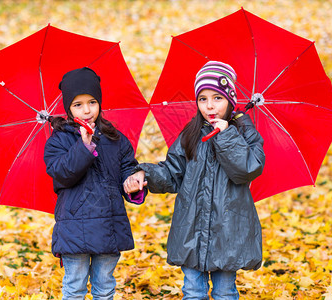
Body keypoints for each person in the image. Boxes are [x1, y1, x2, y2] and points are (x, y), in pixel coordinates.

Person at [124, 61, 265, 299]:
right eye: (203, 99)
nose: (210, 106)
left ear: (230, 99)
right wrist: (145, 174)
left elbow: (246, 169)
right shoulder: (191, 134)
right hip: (191, 227)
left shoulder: (243, 133)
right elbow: (172, 172)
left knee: (224, 291)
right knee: (192, 291)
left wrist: (227, 136)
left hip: (228, 230)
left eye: (217, 98)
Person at [44, 67, 147, 300]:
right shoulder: (58, 140)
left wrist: (134, 181)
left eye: (92, 102)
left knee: (105, 286)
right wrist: (84, 146)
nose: (87, 110)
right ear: (68, 108)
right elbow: (62, 173)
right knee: (75, 287)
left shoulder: (115, 138)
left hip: (109, 225)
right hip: (73, 228)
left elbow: (127, 168)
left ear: (99, 102)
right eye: (78, 105)